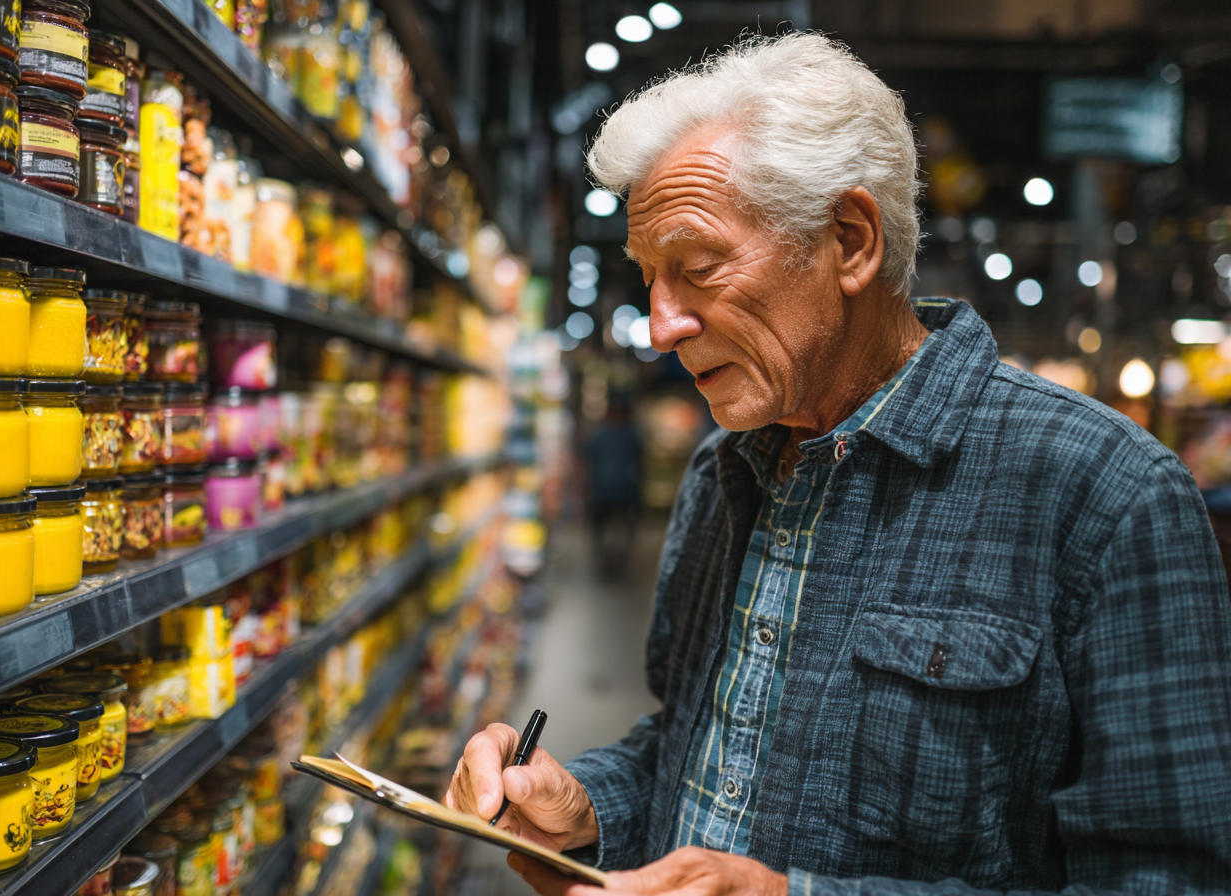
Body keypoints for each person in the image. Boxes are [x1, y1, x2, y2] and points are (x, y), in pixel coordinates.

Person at [446, 32, 1231, 896]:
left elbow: (1169, 881)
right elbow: (698, 747)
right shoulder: (725, 471)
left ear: (851, 241)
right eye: (648, 278)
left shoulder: (1109, 497)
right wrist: (589, 804)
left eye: (699, 269)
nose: (662, 324)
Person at [583, 397, 644, 578]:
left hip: (602, 490)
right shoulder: (631, 435)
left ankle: (604, 561)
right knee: (626, 530)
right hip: (626, 490)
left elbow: (587, 462)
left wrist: (585, 490)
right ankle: (620, 562)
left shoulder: (599, 435)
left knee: (600, 530)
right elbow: (640, 465)